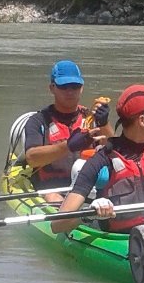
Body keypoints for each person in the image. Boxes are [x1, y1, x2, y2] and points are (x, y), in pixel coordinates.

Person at [52, 83, 144, 233]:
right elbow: (57, 225)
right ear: (142, 120)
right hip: (121, 241)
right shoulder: (101, 161)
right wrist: (89, 215)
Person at [22, 60, 111, 202]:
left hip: (89, 187)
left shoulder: (91, 118)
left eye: (75, 86)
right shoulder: (38, 121)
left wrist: (105, 123)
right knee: (53, 197)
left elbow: (116, 152)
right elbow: (32, 158)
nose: (70, 92)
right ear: (52, 88)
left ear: (81, 88)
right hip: (53, 188)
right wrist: (69, 146)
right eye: (64, 87)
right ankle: (65, 221)